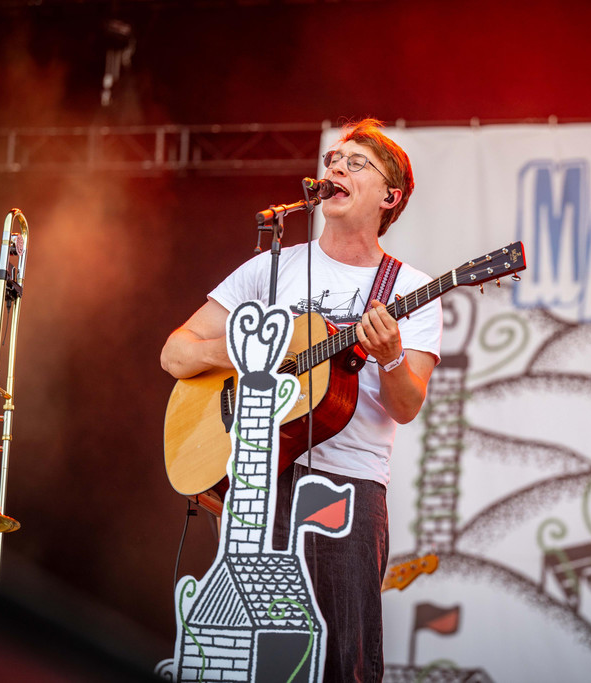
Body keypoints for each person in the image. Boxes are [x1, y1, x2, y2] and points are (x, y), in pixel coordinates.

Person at [160, 118, 442, 682]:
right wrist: (246, 353)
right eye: (334, 159)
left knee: (340, 659)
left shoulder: (410, 288)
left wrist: (389, 356)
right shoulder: (272, 267)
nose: (336, 168)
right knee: (247, 659)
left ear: (390, 197)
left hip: (349, 489)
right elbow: (176, 353)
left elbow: (407, 406)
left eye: (356, 163)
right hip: (259, 481)